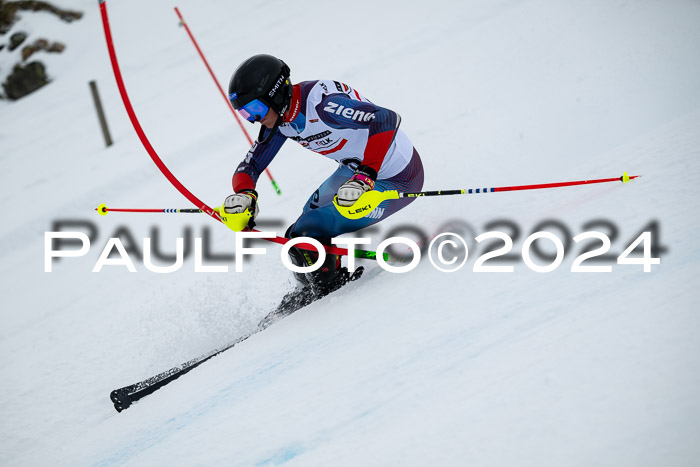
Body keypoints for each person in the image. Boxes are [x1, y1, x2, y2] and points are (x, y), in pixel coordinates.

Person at [224, 54, 424, 295]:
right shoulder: (282, 118)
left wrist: (365, 176)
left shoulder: (323, 106)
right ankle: (313, 285)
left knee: (309, 231)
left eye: (255, 108)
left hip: (399, 177)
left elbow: (385, 119)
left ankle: (329, 291)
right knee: (297, 237)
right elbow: (251, 164)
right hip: (356, 169)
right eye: (245, 113)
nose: (254, 118)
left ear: (275, 93)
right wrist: (245, 195)